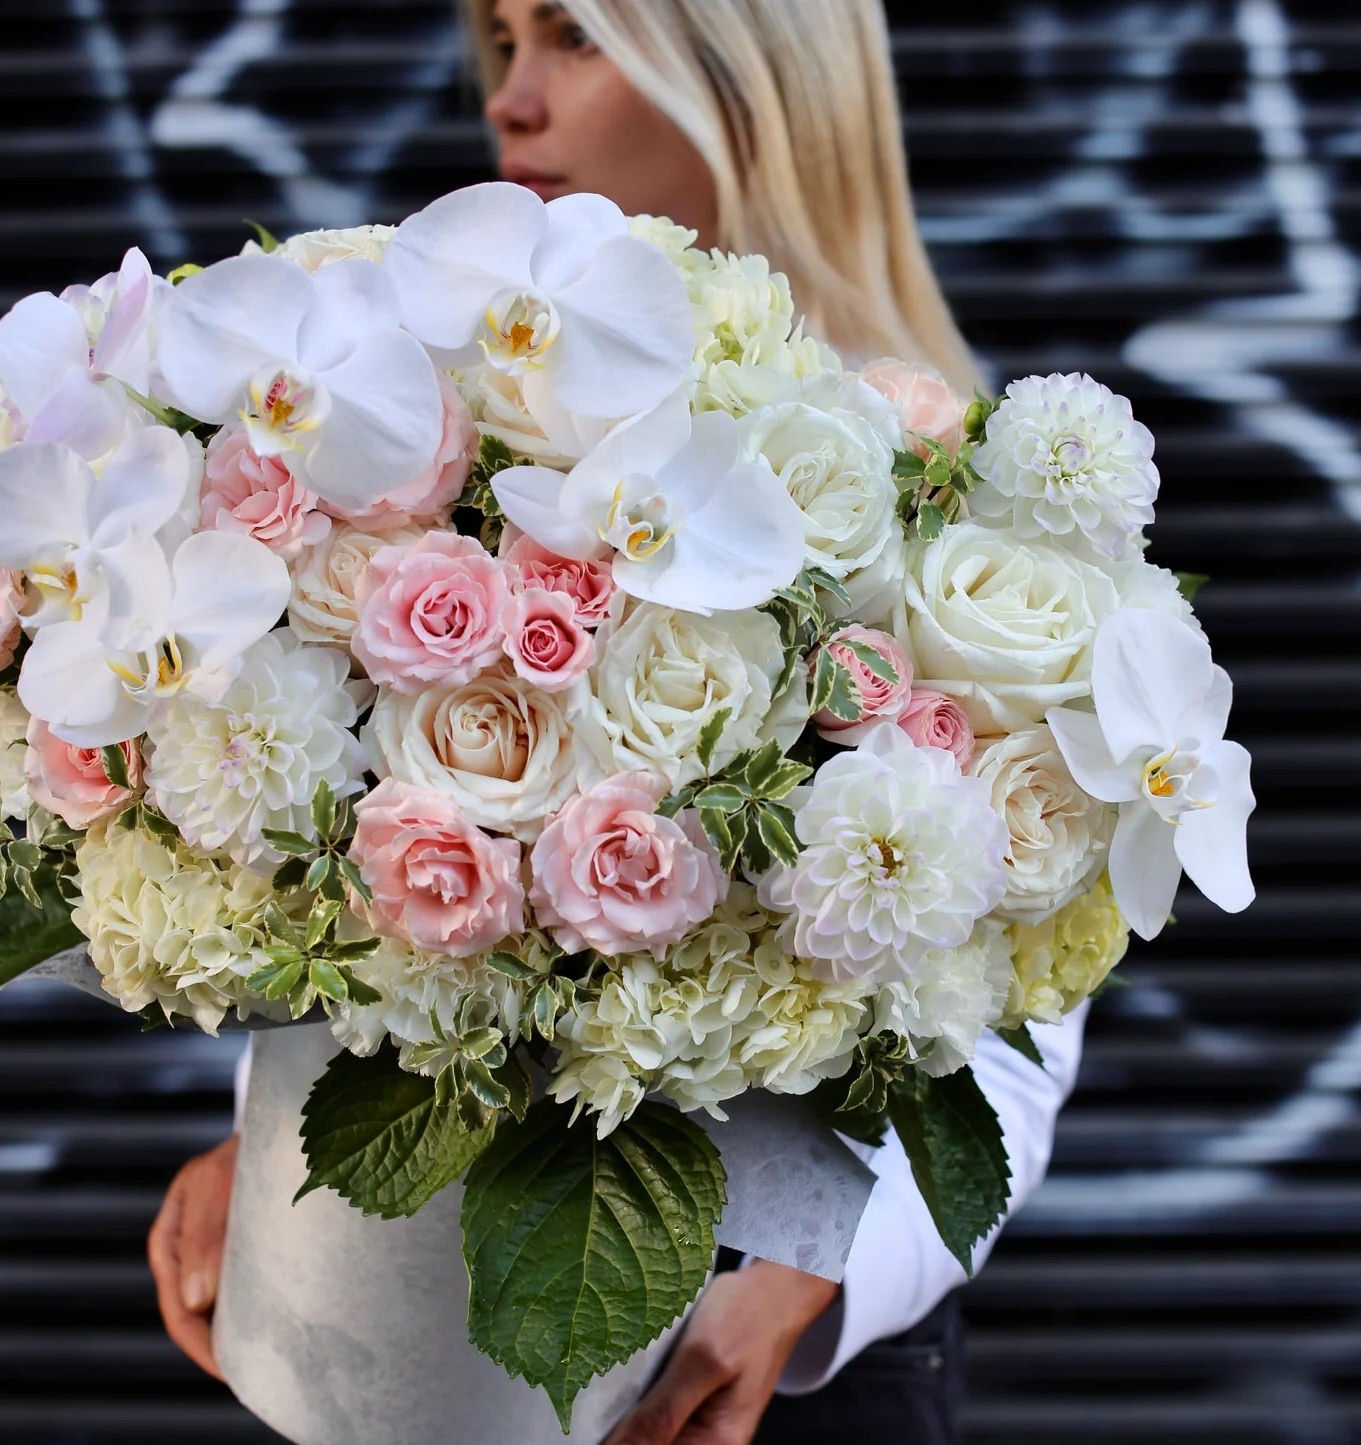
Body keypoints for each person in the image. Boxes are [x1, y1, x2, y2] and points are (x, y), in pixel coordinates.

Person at [147, 3, 1090, 1442]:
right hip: (412, 1344)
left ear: (753, 80)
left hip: (762, 1395)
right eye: (503, 45)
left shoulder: (934, 498)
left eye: (573, 36)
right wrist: (276, 1155)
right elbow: (364, 867)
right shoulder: (446, 449)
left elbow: (1017, 1021)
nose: (510, 103)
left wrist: (813, 1272)